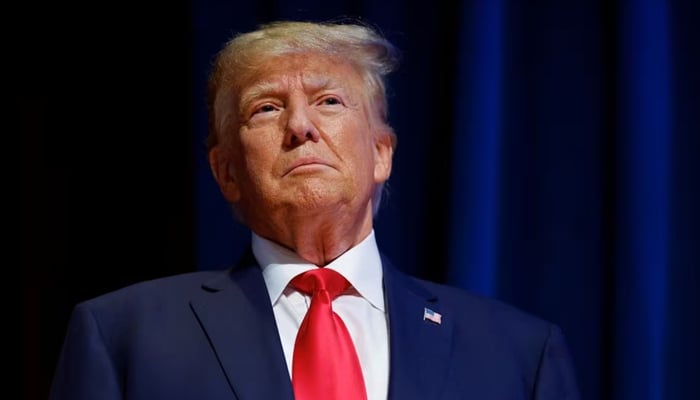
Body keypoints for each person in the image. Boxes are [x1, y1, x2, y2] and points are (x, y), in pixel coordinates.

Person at [49, 20, 581, 400]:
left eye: (329, 101)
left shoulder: (519, 354)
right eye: (267, 107)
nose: (300, 126)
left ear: (381, 153)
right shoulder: (124, 336)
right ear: (226, 172)